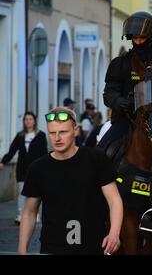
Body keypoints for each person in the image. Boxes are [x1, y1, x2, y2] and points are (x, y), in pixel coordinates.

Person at [18, 107, 123, 255]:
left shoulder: (96, 159)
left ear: (76, 131)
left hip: (93, 247)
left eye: (63, 132)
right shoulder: (38, 168)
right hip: (52, 248)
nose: (57, 138)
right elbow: (29, 212)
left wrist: (114, 233)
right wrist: (22, 249)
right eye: (52, 133)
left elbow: (114, 200)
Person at [98, 11, 152, 150]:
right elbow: (109, 93)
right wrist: (121, 102)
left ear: (151, 37)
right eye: (135, 38)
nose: (138, 42)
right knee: (102, 152)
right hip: (126, 122)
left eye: (142, 38)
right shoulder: (120, 63)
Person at [0, 112, 48, 224]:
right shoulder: (20, 136)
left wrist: (46, 166)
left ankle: (35, 213)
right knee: (22, 192)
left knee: (35, 192)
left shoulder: (41, 135)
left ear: (34, 121)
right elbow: (12, 151)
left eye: (30, 119)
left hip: (36, 169)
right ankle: (21, 214)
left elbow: (44, 152)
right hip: (22, 168)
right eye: (26, 119)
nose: (28, 121)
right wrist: (3, 162)